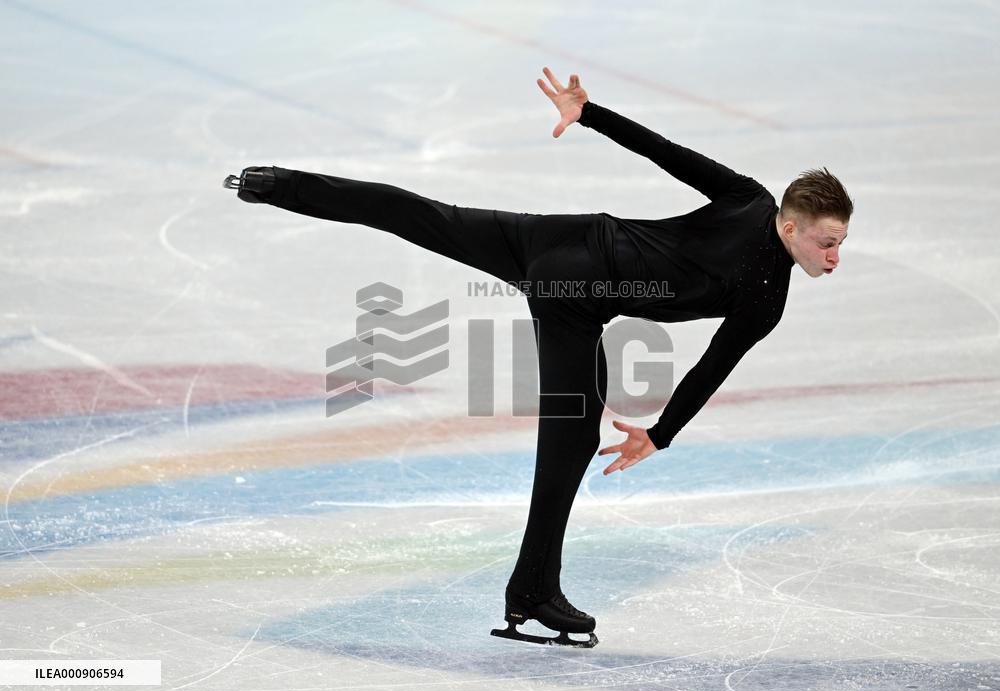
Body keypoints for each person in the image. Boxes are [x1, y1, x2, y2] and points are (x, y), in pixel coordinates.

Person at [223, 67, 853, 649]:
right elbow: (670, 155)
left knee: (426, 216)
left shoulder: (759, 247)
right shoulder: (758, 253)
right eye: (827, 243)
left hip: (563, 238)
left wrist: (662, 432)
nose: (834, 257)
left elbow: (715, 362)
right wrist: (591, 113)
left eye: (841, 245)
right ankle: (532, 590)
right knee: (573, 434)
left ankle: (274, 184)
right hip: (574, 294)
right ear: (791, 226)